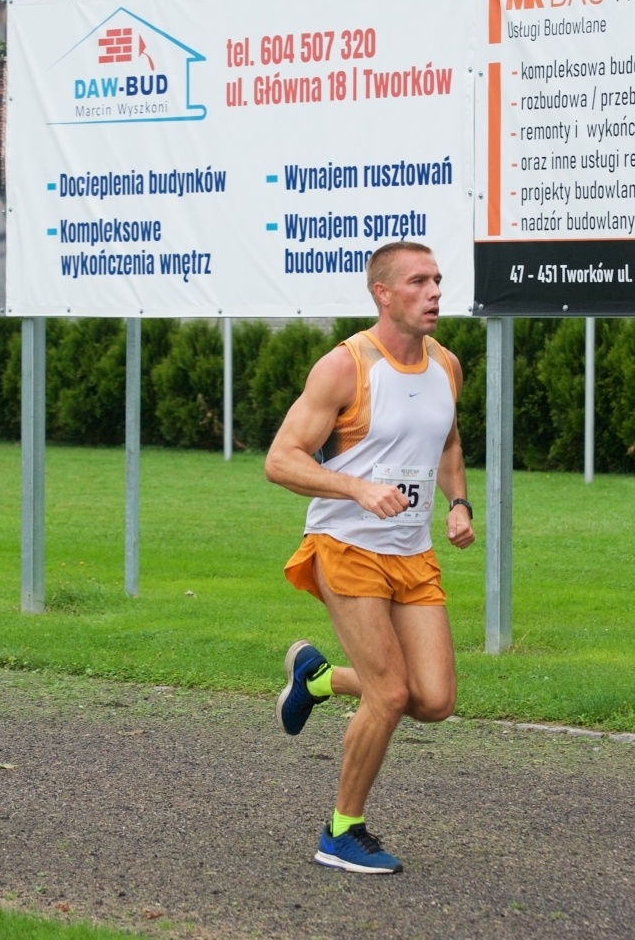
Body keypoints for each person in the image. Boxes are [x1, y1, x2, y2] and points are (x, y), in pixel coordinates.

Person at [264, 240, 474, 875]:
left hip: (412, 553)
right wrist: (356, 487)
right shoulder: (345, 368)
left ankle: (318, 679)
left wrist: (459, 503)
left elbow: (446, 437)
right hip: (347, 546)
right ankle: (340, 831)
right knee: (387, 694)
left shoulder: (447, 365)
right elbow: (280, 460)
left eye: (437, 280)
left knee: (432, 699)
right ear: (383, 294)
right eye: (418, 281)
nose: (434, 291)